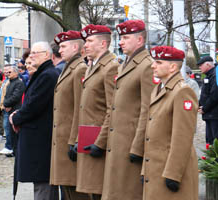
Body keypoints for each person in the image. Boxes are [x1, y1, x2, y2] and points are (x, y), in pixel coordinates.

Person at [101, 20, 154, 200]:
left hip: (130, 142)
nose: (121, 42)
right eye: (121, 38)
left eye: (125, 37)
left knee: (128, 193)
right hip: (118, 141)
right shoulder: (125, 64)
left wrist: (138, 147)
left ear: (140, 40)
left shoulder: (146, 65)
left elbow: (148, 110)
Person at [142, 46, 198, 200]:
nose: (153, 65)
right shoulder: (159, 89)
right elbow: (151, 134)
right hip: (156, 168)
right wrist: (144, 170)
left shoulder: (182, 92)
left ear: (173, 67)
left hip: (171, 171)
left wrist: (173, 174)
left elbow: (183, 138)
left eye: (158, 62)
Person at [9, 41, 59, 200]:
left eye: (34, 53)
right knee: (40, 185)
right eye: (30, 54)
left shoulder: (47, 75)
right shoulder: (42, 74)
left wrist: (16, 118)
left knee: (43, 185)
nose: (30, 56)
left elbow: (34, 105)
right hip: (38, 137)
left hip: (41, 139)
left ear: (46, 55)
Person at [75, 24, 118, 200]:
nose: (85, 45)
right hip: (88, 138)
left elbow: (112, 108)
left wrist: (100, 142)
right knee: (91, 191)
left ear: (103, 44)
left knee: (100, 191)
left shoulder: (110, 68)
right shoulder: (94, 66)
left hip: (99, 140)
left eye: (90, 41)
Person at [50, 31, 88, 199]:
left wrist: (75, 140)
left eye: (64, 46)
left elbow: (80, 108)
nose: (60, 50)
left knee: (75, 191)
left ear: (75, 47)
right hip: (63, 137)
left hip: (70, 139)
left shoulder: (79, 69)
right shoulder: (68, 68)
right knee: (67, 190)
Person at [3, 65, 25, 157]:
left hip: (15, 109)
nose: (8, 74)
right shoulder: (10, 82)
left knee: (15, 132)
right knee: (10, 132)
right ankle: (13, 149)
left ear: (16, 73)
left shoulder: (19, 83)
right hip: (9, 109)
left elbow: (16, 96)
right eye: (7, 72)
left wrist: (7, 104)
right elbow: (6, 95)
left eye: (10, 72)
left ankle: (17, 151)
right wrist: (5, 103)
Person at [198, 56, 218, 145]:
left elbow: (215, 95)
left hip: (215, 115)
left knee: (215, 141)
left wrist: (204, 108)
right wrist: (199, 106)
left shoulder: (215, 75)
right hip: (210, 114)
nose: (199, 67)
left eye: (200, 65)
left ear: (207, 64)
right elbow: (205, 94)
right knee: (210, 140)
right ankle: (210, 158)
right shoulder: (209, 75)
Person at [0, 64, 12, 156]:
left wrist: (7, 104)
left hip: (7, 107)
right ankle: (8, 146)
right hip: (3, 107)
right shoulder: (5, 81)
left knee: (7, 127)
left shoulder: (12, 81)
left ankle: (9, 147)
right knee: (6, 127)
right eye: (5, 69)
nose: (6, 71)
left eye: (8, 70)